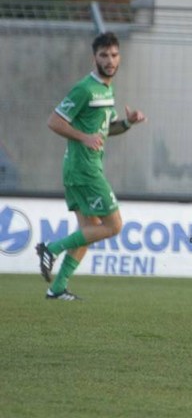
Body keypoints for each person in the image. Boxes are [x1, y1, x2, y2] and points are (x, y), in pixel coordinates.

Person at [35, 32, 146, 300]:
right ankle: (52, 248)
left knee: (90, 230)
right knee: (114, 225)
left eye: (114, 55)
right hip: (84, 170)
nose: (110, 60)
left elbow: (106, 130)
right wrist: (83, 137)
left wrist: (128, 123)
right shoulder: (85, 88)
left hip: (84, 167)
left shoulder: (107, 90)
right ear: (94, 57)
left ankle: (57, 287)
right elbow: (54, 121)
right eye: (104, 55)